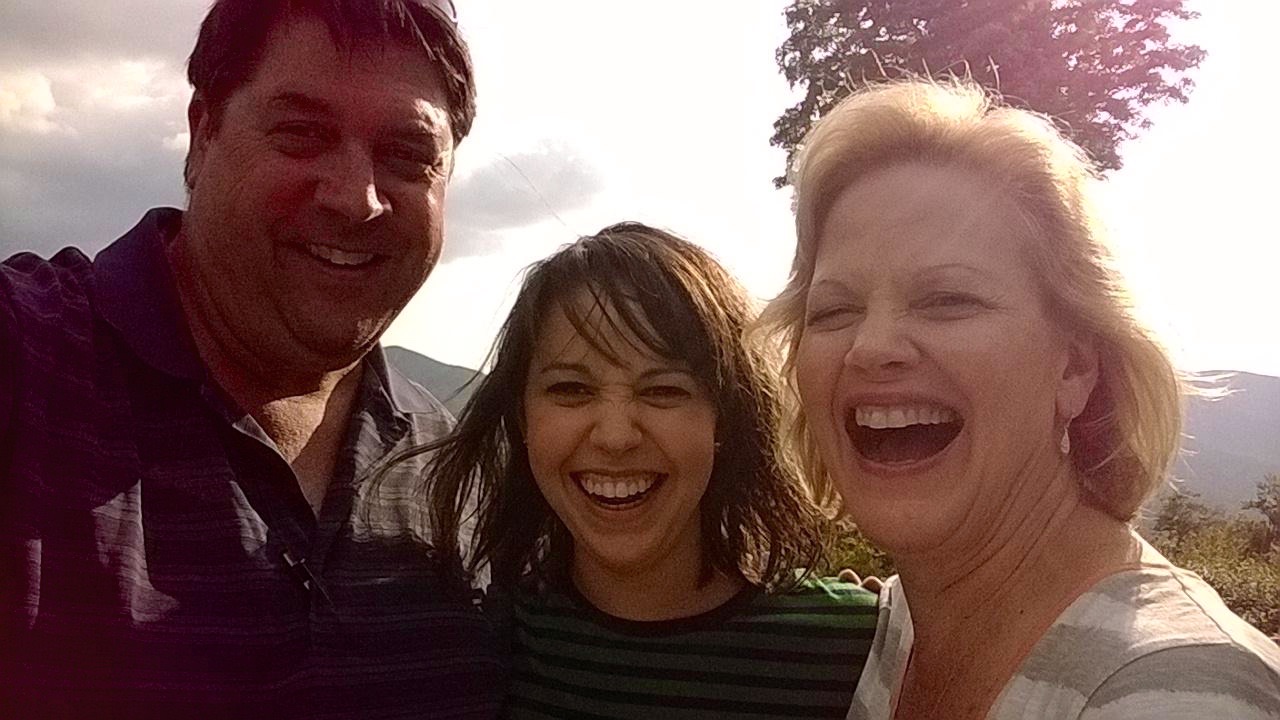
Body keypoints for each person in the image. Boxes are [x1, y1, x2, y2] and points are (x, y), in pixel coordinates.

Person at [0, 1, 505, 717]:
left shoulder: (459, 470)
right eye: (302, 133)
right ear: (202, 134)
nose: (355, 199)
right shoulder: (29, 355)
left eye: (406, 156)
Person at [758, 79, 1280, 719]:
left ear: (1076, 366)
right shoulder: (897, 631)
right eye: (834, 309)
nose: (871, 347)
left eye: (949, 300)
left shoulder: (1178, 693)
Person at [415, 222, 879, 718]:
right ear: (522, 417)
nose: (616, 436)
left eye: (663, 390)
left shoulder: (858, 655)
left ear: (724, 419)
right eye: (571, 389)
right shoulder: (480, 647)